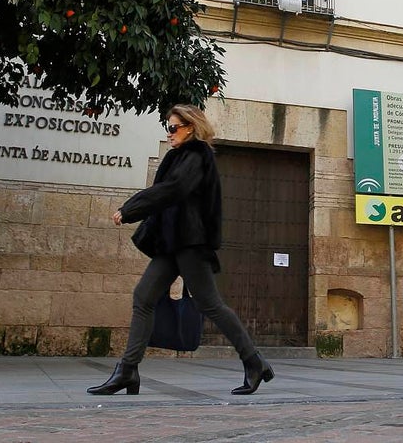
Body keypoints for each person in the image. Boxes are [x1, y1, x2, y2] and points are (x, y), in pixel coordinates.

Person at [87, 104, 274, 396]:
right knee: (143, 297)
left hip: (190, 241)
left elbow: (174, 189)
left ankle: (254, 362)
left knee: (210, 303)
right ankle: (128, 371)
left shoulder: (197, 156)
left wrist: (131, 208)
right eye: (168, 127)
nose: (169, 133)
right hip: (171, 241)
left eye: (174, 127)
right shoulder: (179, 156)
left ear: (191, 128)